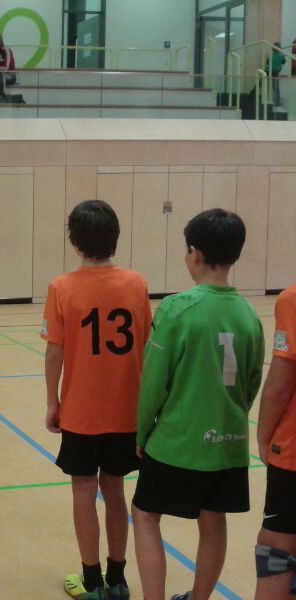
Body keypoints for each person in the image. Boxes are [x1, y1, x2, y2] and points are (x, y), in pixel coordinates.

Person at [132, 208, 265, 600]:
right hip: (227, 446)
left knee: (145, 515)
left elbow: (153, 383)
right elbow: (251, 383)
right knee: (213, 519)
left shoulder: (177, 308)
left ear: (194, 253)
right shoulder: (250, 316)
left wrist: (143, 432)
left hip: (177, 442)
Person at [41, 200, 152, 600]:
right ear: (115, 238)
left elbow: (55, 352)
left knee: (84, 491)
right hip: (126, 412)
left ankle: (91, 582)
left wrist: (52, 402)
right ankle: (117, 579)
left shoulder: (61, 287)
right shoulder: (136, 284)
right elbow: (147, 345)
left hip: (81, 412)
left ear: (74, 242)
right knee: (115, 491)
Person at [254, 284, 296, 600]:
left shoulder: (293, 299)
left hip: (293, 452)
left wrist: (263, 437)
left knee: (276, 548)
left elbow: (280, 385)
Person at [267, 42, 285, 107]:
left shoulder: (271, 55)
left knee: (274, 86)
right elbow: (283, 62)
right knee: (276, 87)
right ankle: (277, 102)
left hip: (269, 70)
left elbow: (267, 62)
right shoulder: (282, 55)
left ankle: (275, 100)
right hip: (276, 72)